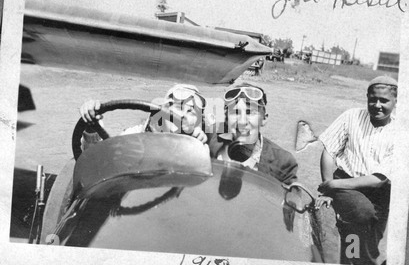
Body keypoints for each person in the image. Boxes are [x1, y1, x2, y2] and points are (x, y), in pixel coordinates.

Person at [316, 75, 398, 265]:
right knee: (362, 213)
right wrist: (329, 188)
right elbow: (329, 151)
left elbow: (380, 179)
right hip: (346, 185)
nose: (377, 105)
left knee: (370, 250)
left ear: (396, 101)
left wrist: (333, 185)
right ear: (367, 97)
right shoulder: (351, 116)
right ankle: (346, 257)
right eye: (373, 99)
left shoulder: (400, 132)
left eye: (384, 100)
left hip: (379, 192)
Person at [208, 83, 298, 185]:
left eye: (250, 112)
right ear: (226, 118)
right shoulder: (212, 141)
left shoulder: (282, 162)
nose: (242, 122)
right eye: (235, 112)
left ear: (264, 119)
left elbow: (290, 198)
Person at [79, 84, 208, 149]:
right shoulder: (135, 135)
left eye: (191, 111)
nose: (184, 115)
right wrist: (91, 128)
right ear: (164, 111)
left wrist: (198, 146)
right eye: (179, 107)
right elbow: (98, 158)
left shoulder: (200, 147)